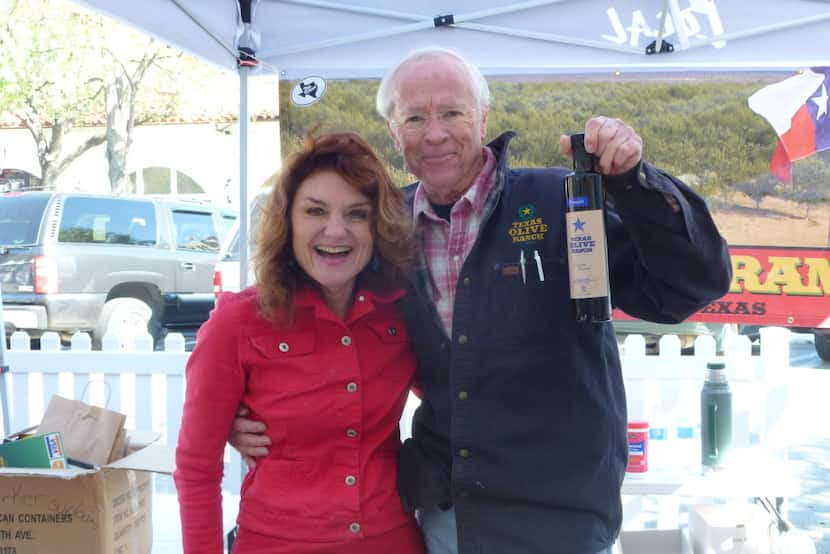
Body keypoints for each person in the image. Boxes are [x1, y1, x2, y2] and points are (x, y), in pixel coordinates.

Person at [231, 47, 733, 554]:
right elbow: (311, 328)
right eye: (415, 117)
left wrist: (633, 182)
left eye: (452, 112)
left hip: (559, 519)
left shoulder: (565, 202)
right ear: (393, 131)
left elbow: (686, 288)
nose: (434, 133)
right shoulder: (383, 228)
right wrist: (240, 406)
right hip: (447, 514)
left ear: (483, 116)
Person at [174, 130, 425, 554]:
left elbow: (455, 402)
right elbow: (196, 469)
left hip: (391, 540)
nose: (336, 230)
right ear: (287, 221)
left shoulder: (400, 312)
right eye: (315, 211)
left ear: (377, 225)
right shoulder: (238, 322)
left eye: (357, 214)